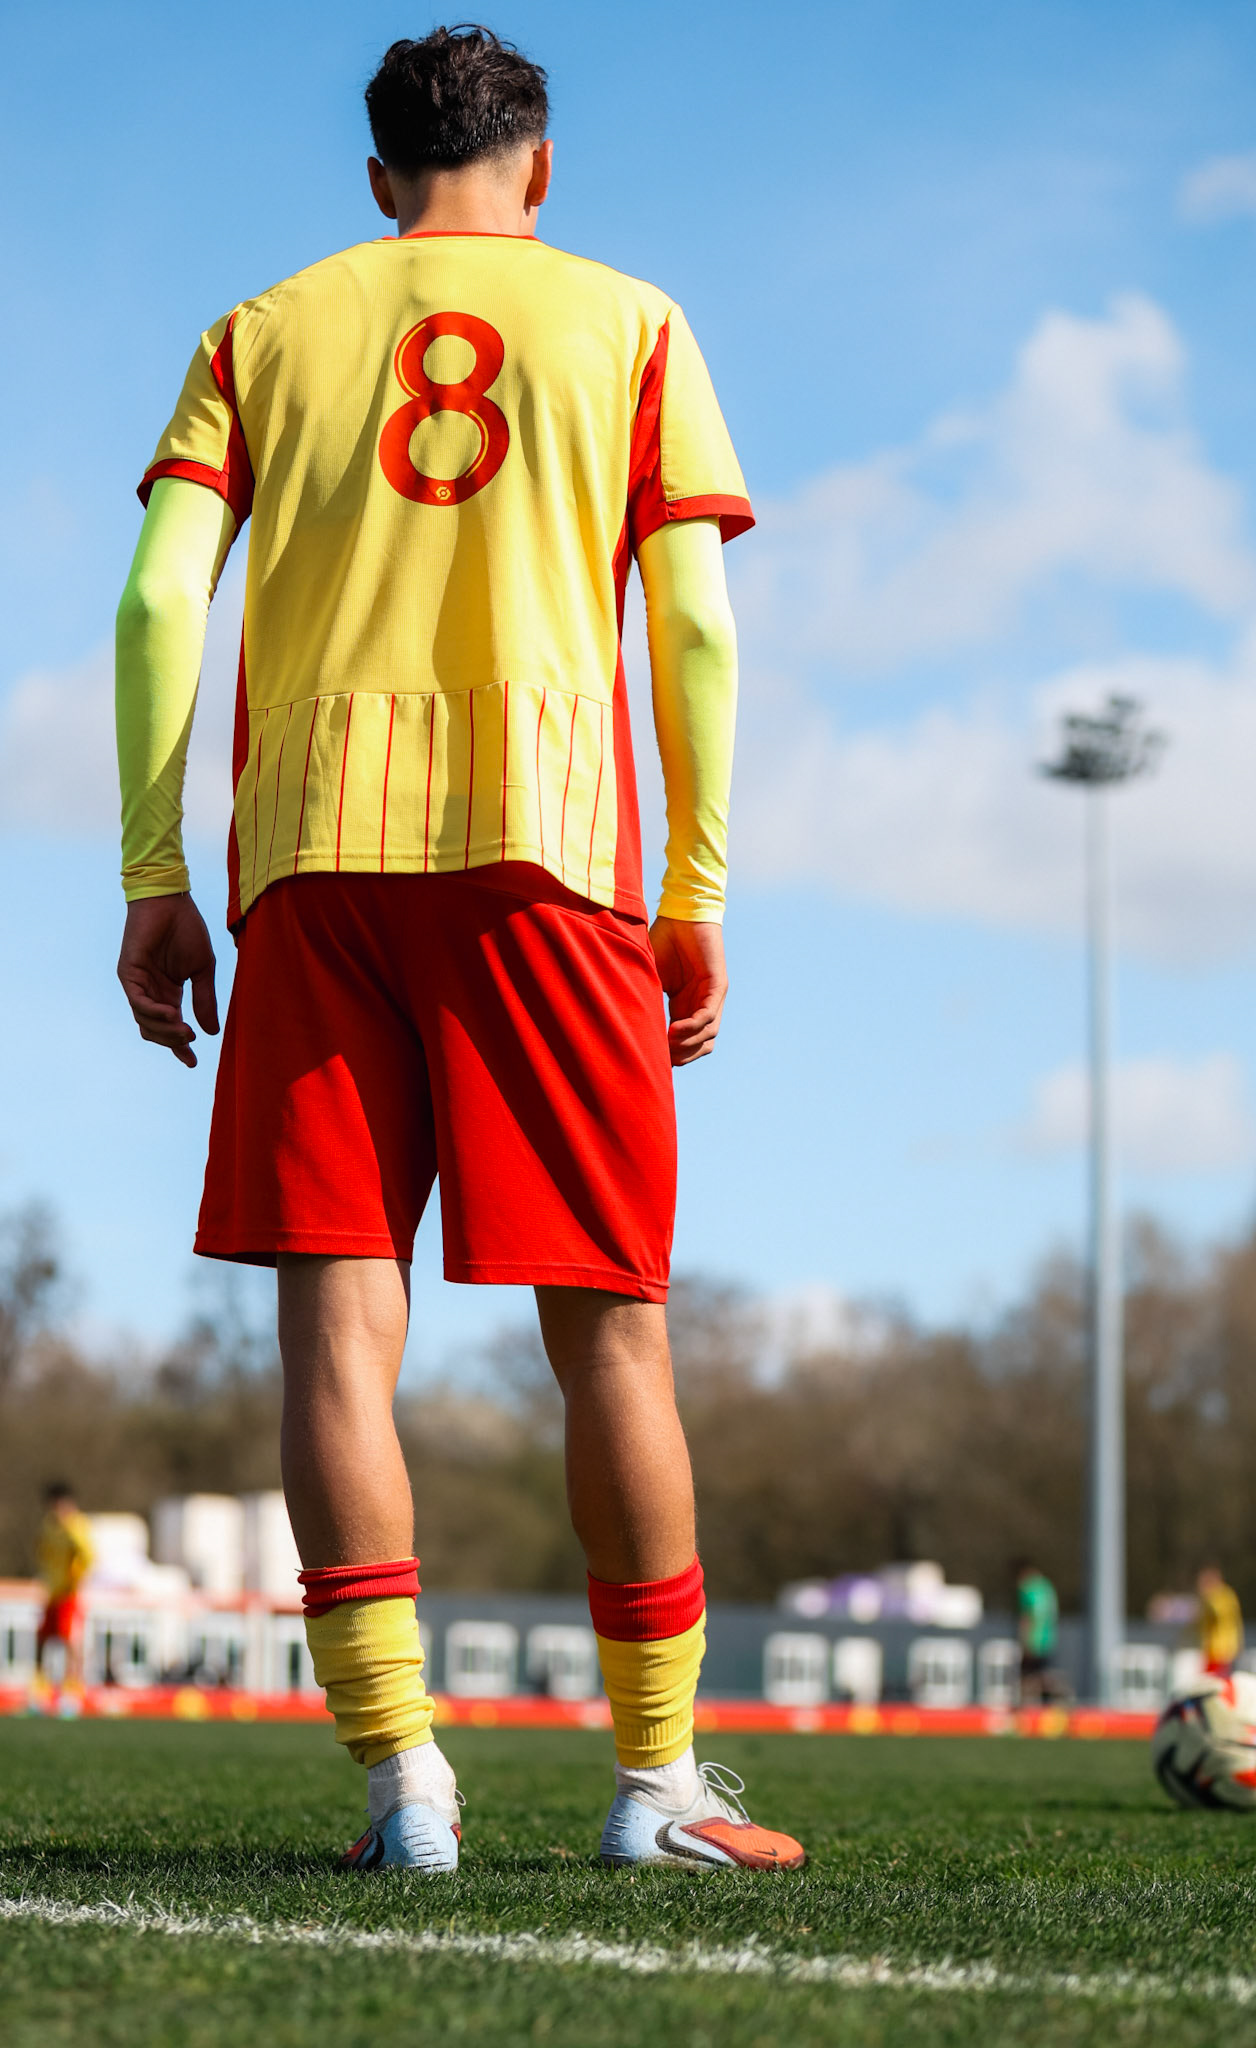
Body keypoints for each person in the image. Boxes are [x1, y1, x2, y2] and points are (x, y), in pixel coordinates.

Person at [113, 25, 803, 1875]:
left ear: (377, 180)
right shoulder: (635, 324)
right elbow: (699, 630)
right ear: (541, 168)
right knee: (614, 1333)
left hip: (313, 853)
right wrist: (695, 890)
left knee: (337, 1328)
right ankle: (657, 1787)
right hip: (549, 858)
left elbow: (160, 594)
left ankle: (403, 1781)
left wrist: (152, 869)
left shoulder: (258, 330)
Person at [30, 1483, 95, 1709]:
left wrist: (75, 1576)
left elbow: (88, 1556)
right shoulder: (49, 1526)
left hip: (70, 1593)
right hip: (52, 1592)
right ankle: (40, 1692)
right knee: (42, 1640)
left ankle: (72, 1693)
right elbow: (42, 1552)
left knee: (71, 1642)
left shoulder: (76, 1527)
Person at [1013, 1558, 1060, 1704]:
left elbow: (1027, 1617)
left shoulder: (1027, 1588)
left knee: (1027, 1675)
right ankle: (1050, 1704)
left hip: (1033, 1639)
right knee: (1042, 1672)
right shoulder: (1046, 1586)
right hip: (1047, 1638)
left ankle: (1022, 1708)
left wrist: (1024, 1640)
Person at [1195, 1563, 1243, 1679]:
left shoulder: (1219, 1596)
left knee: (1213, 1681)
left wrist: (1208, 1596)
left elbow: (1218, 1614)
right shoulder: (1226, 1594)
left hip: (1220, 1649)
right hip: (1218, 1648)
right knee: (1214, 1680)